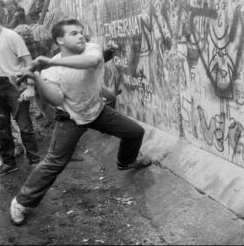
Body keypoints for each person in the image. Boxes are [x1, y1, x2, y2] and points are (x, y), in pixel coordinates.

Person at [9, 19, 152, 226]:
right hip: (70, 118)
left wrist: (50, 62)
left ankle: (126, 161)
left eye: (81, 32)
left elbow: (93, 62)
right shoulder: (50, 71)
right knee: (54, 162)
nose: (81, 36)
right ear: (59, 39)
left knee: (134, 132)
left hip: (97, 110)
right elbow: (57, 100)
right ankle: (21, 202)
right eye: (74, 33)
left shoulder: (90, 49)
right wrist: (36, 76)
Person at [0, 7, 41, 176]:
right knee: (2, 126)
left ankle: (35, 162)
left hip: (14, 85)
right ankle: (8, 162)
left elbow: (28, 61)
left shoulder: (12, 36)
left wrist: (31, 86)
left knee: (25, 126)